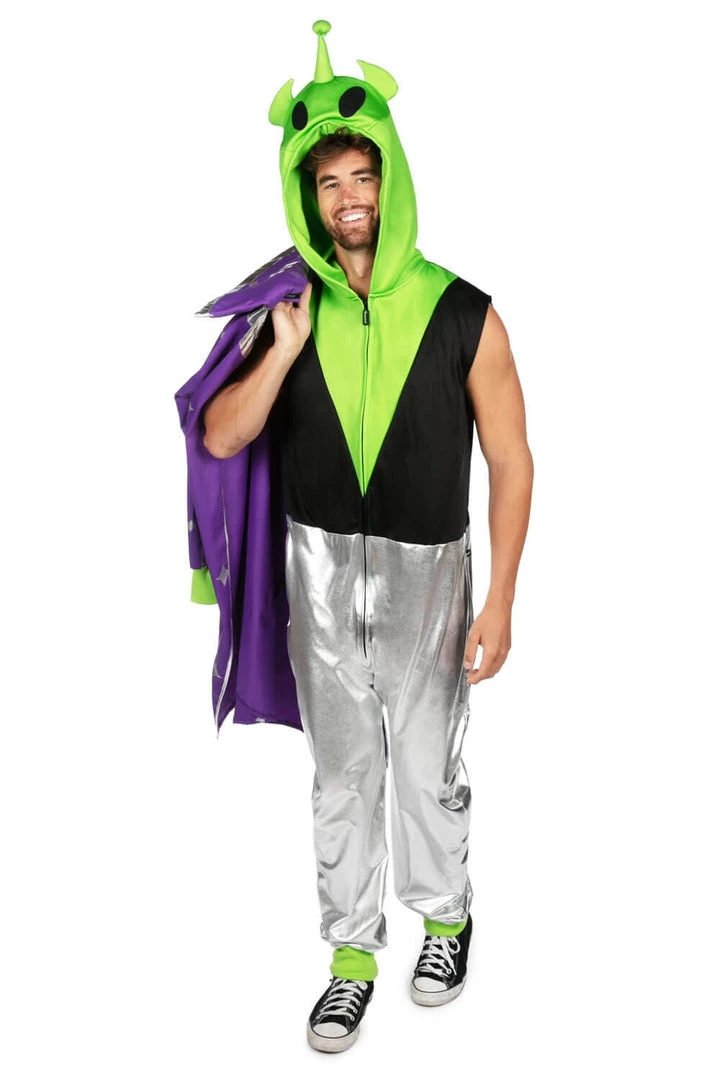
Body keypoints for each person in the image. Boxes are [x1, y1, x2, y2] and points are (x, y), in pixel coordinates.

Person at [202, 22, 533, 1054]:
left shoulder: (463, 311)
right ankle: (351, 956)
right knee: (342, 779)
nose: (349, 198)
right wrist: (281, 348)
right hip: (318, 573)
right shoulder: (282, 308)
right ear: (307, 197)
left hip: (428, 574)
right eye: (329, 183)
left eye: (363, 176)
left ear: (391, 180)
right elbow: (221, 436)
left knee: (427, 769)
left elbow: (512, 460)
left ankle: (446, 920)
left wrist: (500, 599)